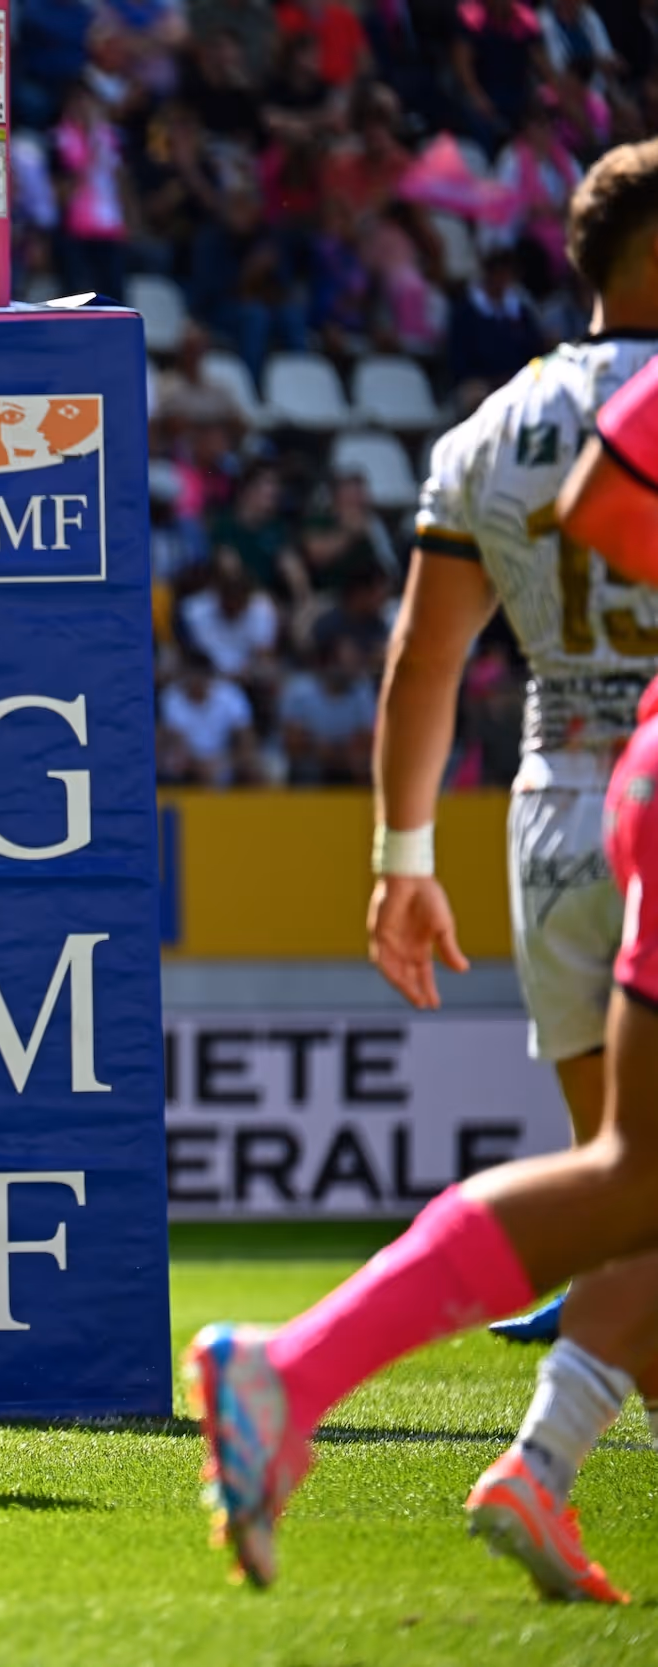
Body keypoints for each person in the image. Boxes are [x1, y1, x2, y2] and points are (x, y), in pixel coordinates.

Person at [194, 139, 658, 1602]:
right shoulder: (639, 425)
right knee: (637, 1187)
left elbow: (425, 657)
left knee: (635, 1189)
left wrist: (401, 853)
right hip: (651, 774)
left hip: (553, 799)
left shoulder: (494, 426)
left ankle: (539, 1460)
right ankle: (464, 1426)